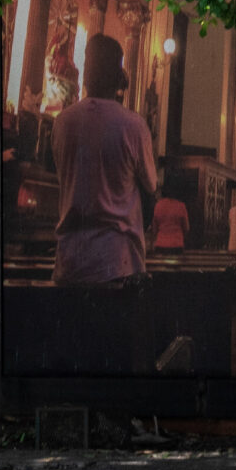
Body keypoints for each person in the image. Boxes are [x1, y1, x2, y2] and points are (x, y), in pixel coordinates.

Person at [51, 34, 156, 285]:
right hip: (118, 264)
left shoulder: (63, 122)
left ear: (86, 72)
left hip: (69, 262)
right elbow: (150, 191)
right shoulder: (133, 125)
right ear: (118, 76)